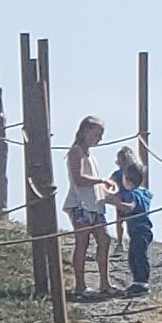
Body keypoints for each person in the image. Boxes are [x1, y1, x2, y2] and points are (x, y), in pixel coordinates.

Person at [65, 117, 114, 298]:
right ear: (86, 131)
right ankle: (80, 285)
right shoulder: (76, 151)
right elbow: (79, 179)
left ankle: (104, 283)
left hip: (95, 205)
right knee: (82, 242)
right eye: (97, 134)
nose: (99, 139)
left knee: (104, 239)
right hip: (80, 204)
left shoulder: (90, 155)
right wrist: (101, 180)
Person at [113, 145, 154, 296]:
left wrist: (114, 202)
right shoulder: (142, 192)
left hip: (141, 229)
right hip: (138, 230)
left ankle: (142, 282)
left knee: (139, 255)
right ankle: (137, 281)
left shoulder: (133, 194)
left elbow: (130, 207)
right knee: (133, 256)